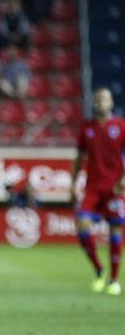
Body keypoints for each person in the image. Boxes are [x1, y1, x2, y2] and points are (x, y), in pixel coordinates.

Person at [70, 87, 125, 296]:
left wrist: (123, 180)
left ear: (111, 103)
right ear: (94, 103)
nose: (101, 102)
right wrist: (72, 185)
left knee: (115, 231)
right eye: (98, 99)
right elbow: (78, 159)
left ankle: (114, 279)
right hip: (92, 188)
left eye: (105, 99)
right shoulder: (87, 128)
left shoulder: (121, 126)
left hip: (114, 188)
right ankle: (98, 269)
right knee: (82, 223)